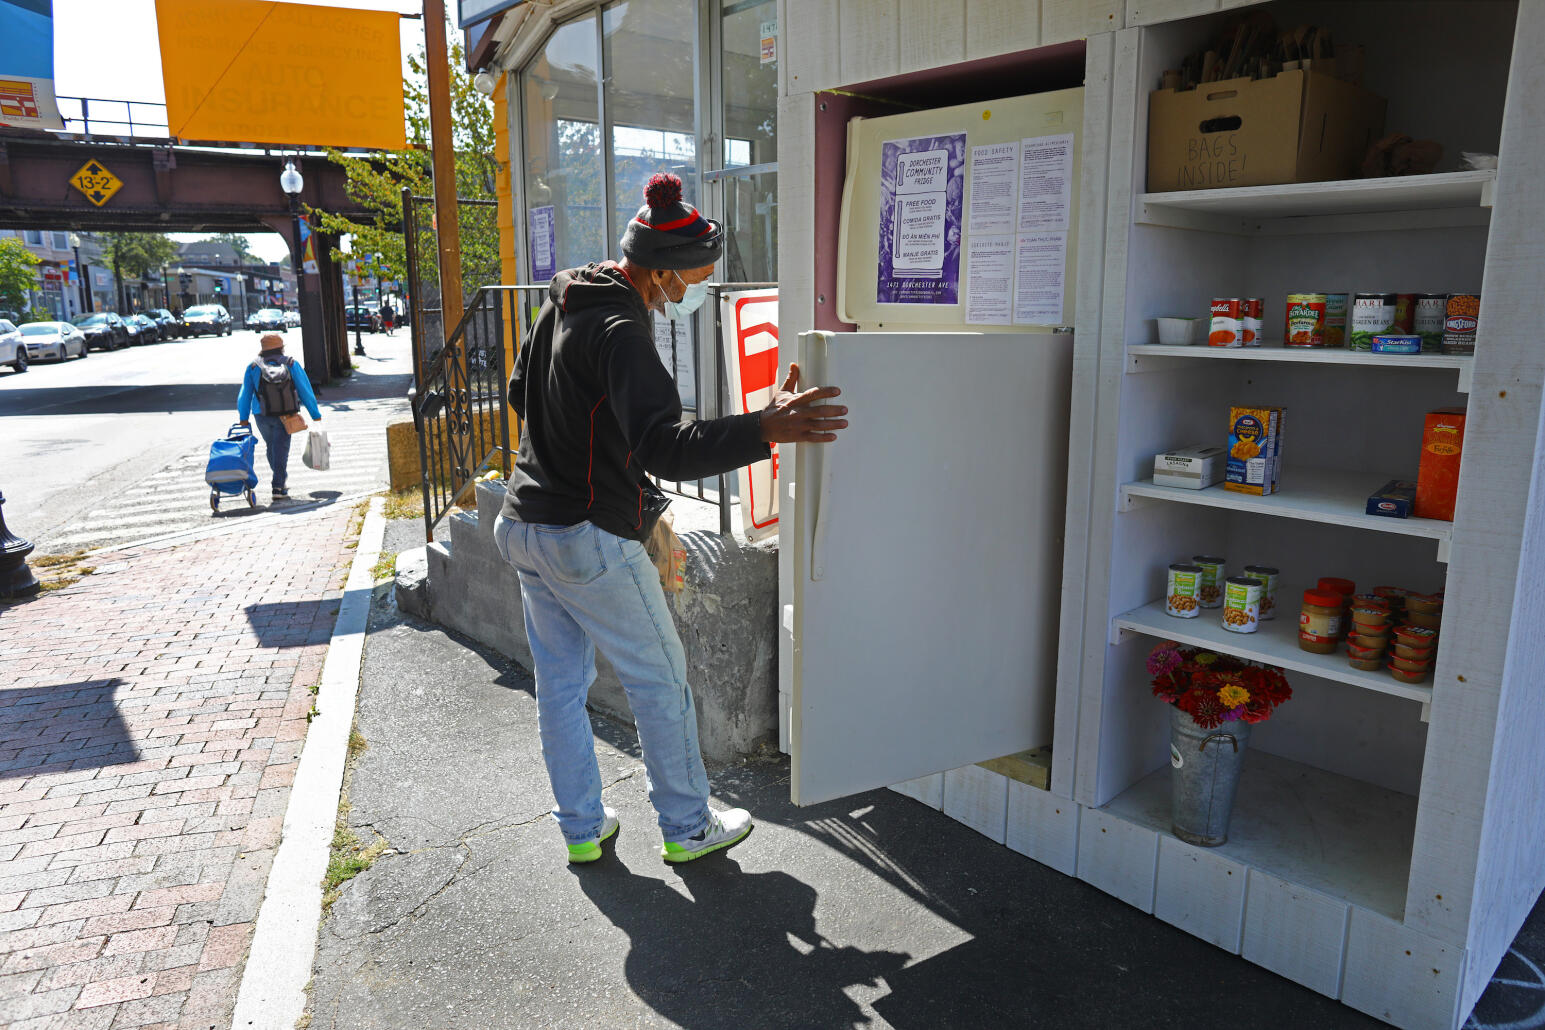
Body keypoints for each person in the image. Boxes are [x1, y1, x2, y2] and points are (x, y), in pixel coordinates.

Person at [495, 172, 848, 865]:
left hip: (524, 524)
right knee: (659, 681)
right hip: (585, 539)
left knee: (560, 688)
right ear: (657, 272)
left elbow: (520, 393)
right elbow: (665, 447)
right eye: (691, 278)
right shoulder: (624, 328)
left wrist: (607, 479)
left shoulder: (566, 303)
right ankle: (687, 827)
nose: (691, 292)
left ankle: (582, 828)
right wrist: (765, 428)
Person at [237, 333, 322, 503]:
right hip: (286, 413)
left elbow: (245, 393)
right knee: (281, 448)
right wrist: (315, 414)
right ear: (281, 347)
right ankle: (278, 486)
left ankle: (280, 480)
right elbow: (305, 389)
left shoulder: (253, 366)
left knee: (272, 447)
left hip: (261, 414)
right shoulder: (291, 363)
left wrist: (243, 417)